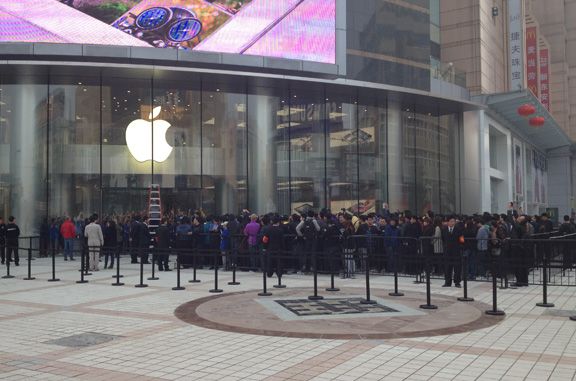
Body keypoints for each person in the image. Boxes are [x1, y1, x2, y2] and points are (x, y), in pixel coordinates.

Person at [442, 216, 463, 287]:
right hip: (447, 251)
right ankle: (447, 282)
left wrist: (460, 247)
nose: (452, 223)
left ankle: (457, 282)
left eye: (453, 221)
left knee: (457, 267)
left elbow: (462, 240)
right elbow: (443, 239)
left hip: (456, 251)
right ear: (448, 222)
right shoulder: (444, 229)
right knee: (447, 267)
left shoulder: (459, 229)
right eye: (451, 221)